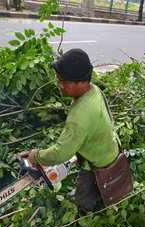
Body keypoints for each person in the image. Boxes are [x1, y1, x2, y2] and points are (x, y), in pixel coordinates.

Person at [23, 48, 120, 212]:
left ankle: (84, 219)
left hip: (98, 165)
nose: (59, 85)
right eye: (58, 79)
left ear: (82, 82)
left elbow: (60, 154)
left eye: (65, 82)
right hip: (110, 148)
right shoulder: (94, 89)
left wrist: (36, 157)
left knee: (84, 198)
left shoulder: (81, 116)